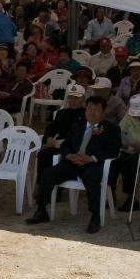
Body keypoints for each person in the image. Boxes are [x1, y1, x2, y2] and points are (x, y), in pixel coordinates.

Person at [27, 96, 121, 232]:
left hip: (92, 164)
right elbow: (66, 144)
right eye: (89, 108)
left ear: (103, 112)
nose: (92, 112)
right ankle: (41, 210)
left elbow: (114, 151)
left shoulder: (111, 129)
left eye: (96, 109)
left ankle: (95, 216)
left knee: (92, 177)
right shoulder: (78, 125)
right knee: (48, 173)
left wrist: (91, 158)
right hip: (72, 162)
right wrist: (69, 155)